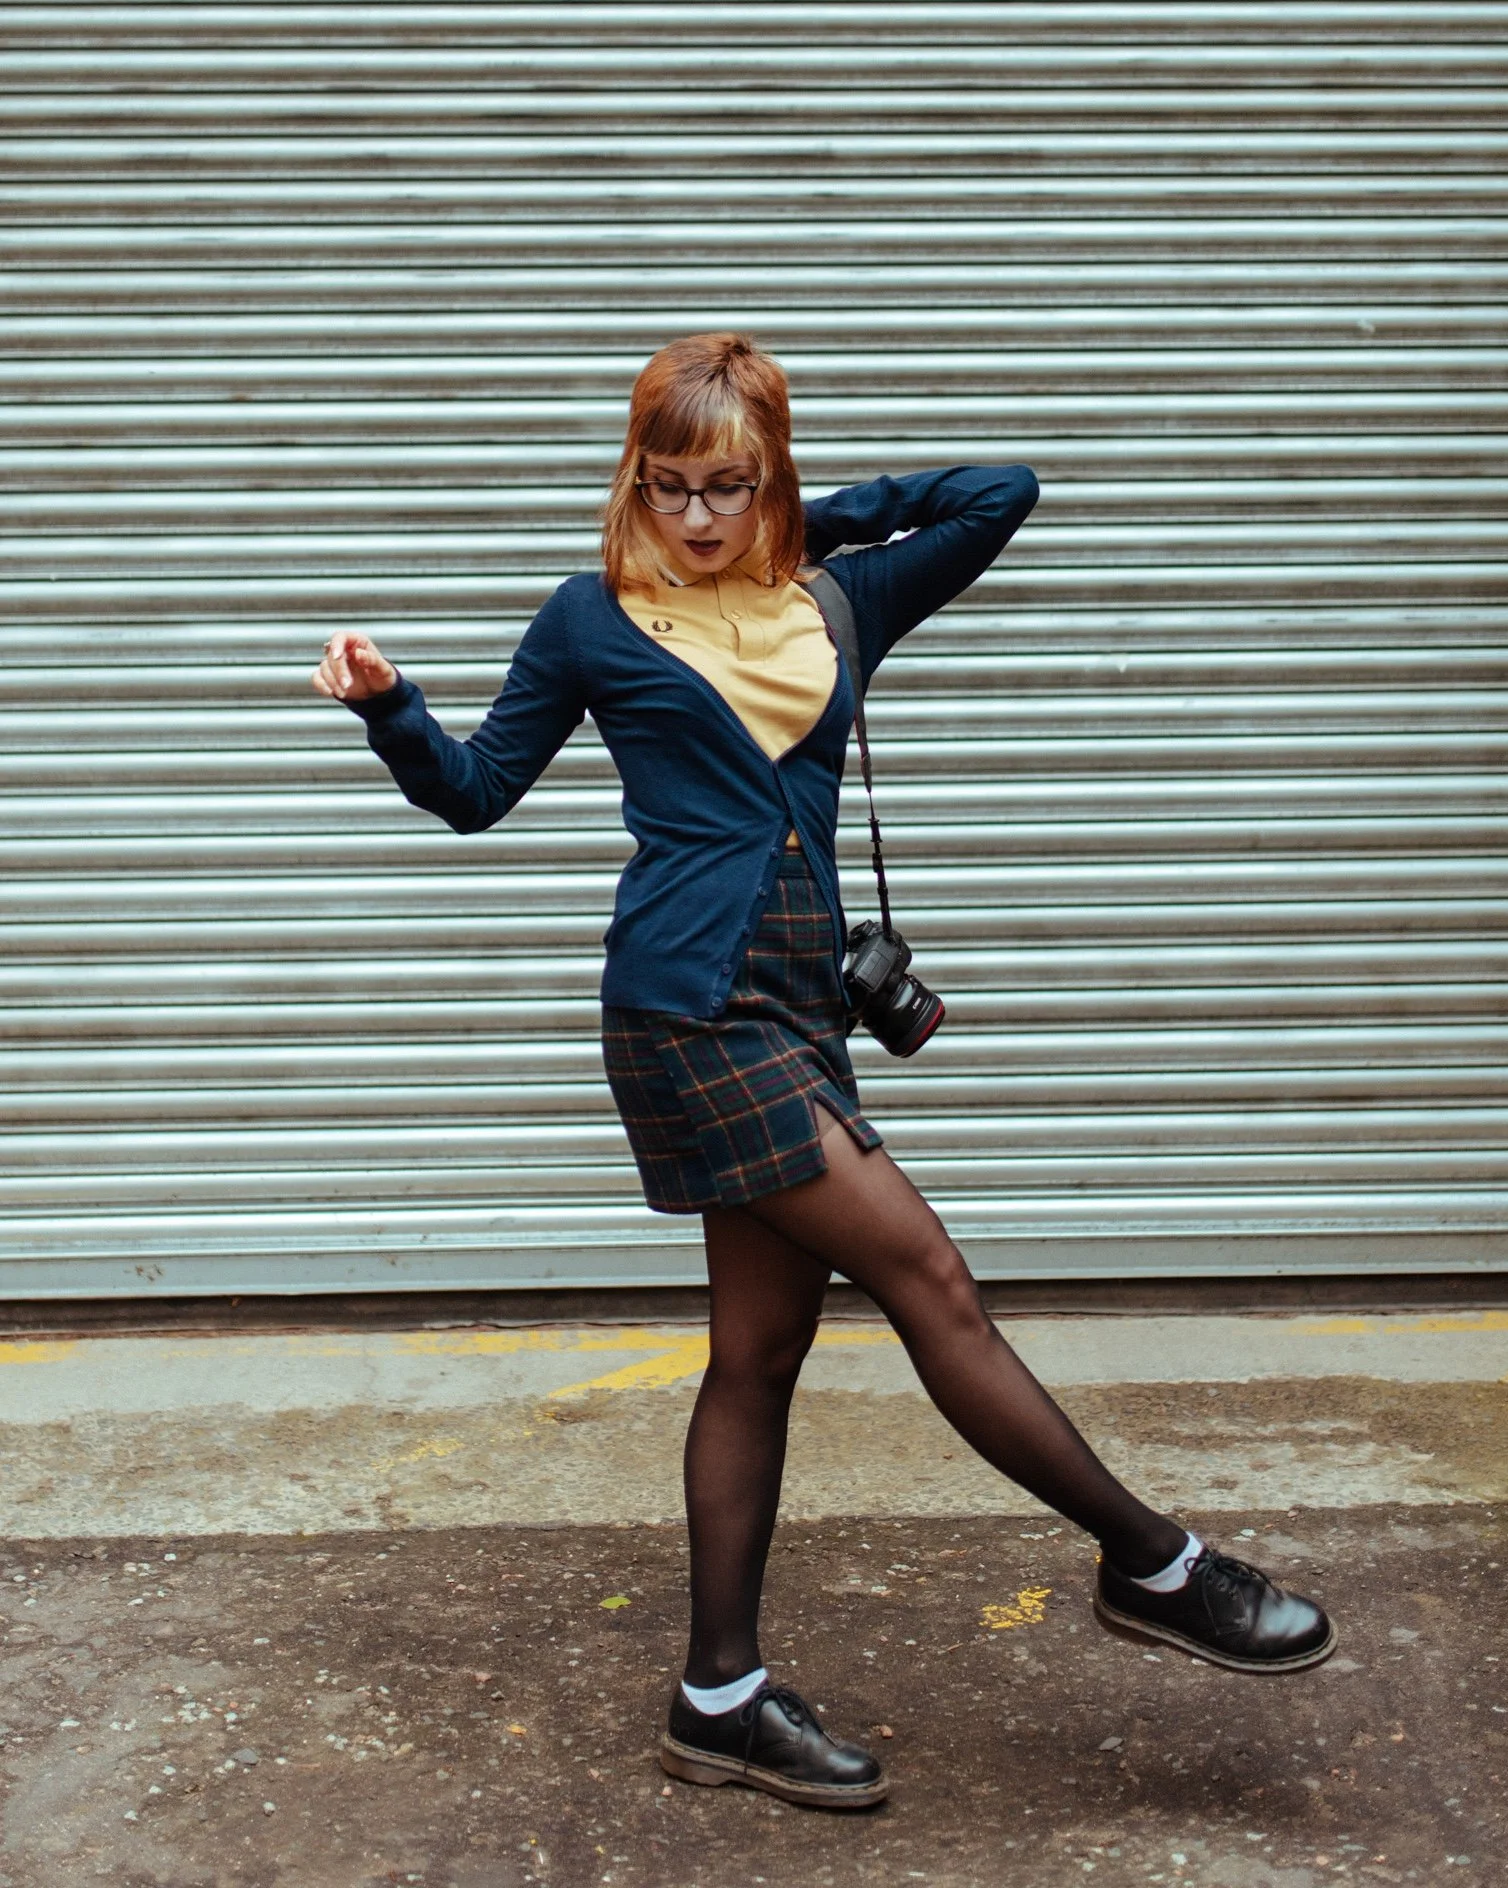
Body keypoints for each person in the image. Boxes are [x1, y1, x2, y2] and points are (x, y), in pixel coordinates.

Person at [312, 332, 1333, 1813]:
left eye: (729, 486)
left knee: (759, 1352)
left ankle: (716, 1699)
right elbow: (475, 794)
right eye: (670, 486)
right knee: (930, 1277)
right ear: (634, 480)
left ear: (769, 480)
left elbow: (999, 490)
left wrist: (814, 518)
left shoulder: (837, 598)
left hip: (799, 1009)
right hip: (687, 1010)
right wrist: (390, 705)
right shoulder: (591, 618)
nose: (698, 518)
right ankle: (1154, 1564)